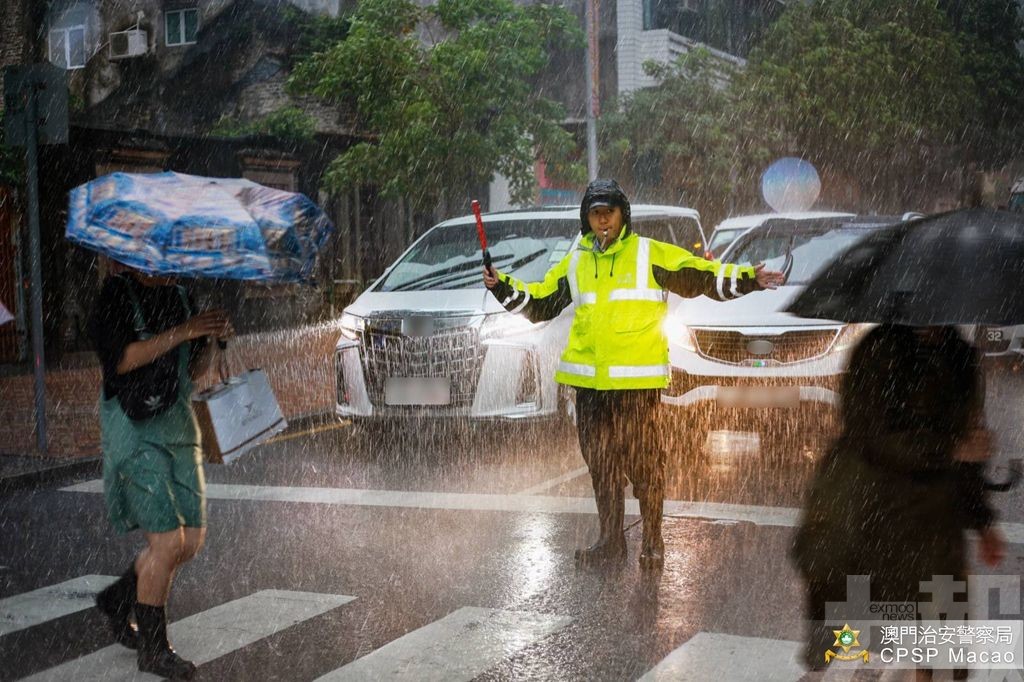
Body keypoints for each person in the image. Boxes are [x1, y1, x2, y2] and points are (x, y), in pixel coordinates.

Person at [483, 179, 784, 570]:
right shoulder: (576, 261)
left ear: (623, 214)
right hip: (590, 389)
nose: (603, 220)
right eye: (595, 213)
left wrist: (747, 279)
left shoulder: (647, 253)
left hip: (636, 387)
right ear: (586, 219)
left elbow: (700, 275)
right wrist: (500, 286)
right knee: (602, 468)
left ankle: (653, 542)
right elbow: (540, 302)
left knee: (645, 467)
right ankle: (610, 543)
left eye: (609, 212)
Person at [792, 324, 1006, 679]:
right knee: (854, 634)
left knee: (946, 661)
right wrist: (949, 447)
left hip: (935, 526)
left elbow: (967, 448)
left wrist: (983, 520)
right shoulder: (878, 350)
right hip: (872, 515)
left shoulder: (961, 356)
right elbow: (871, 433)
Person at [88, 265, 232, 680]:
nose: (174, 268)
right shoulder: (113, 296)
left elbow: (191, 372)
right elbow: (122, 360)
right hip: (133, 432)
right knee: (167, 543)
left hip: (179, 426)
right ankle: (153, 651)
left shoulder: (181, 294)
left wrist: (212, 340)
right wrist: (184, 330)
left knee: (191, 541)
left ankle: (120, 598)